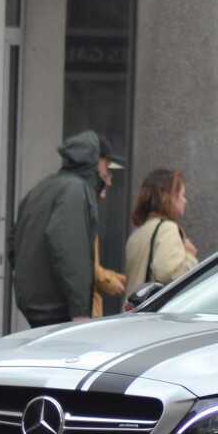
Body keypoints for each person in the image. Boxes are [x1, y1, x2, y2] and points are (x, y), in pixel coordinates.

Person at [10, 130, 115, 329]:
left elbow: (13, 244)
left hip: (35, 307)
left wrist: (32, 281)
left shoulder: (41, 189)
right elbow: (70, 251)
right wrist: (80, 312)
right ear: (96, 160)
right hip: (60, 312)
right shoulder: (76, 190)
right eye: (107, 167)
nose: (108, 178)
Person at [124, 168, 197, 288]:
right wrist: (189, 256)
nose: (185, 201)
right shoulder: (168, 229)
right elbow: (170, 277)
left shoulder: (137, 234)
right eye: (182, 195)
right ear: (168, 196)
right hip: (155, 306)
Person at [91, 135, 126, 318]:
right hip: (85, 313)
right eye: (106, 175)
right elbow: (88, 267)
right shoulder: (83, 211)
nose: (109, 182)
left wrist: (120, 280)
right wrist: (112, 283)